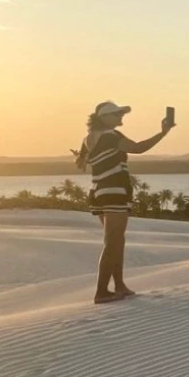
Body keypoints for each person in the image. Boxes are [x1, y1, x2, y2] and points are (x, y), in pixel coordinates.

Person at [74, 101, 175, 304]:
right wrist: (163, 132)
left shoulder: (88, 138)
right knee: (112, 242)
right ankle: (102, 291)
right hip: (114, 192)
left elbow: (81, 163)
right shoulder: (111, 136)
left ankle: (119, 285)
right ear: (104, 117)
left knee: (116, 240)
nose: (121, 117)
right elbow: (139, 148)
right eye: (117, 114)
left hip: (99, 191)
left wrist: (85, 157)